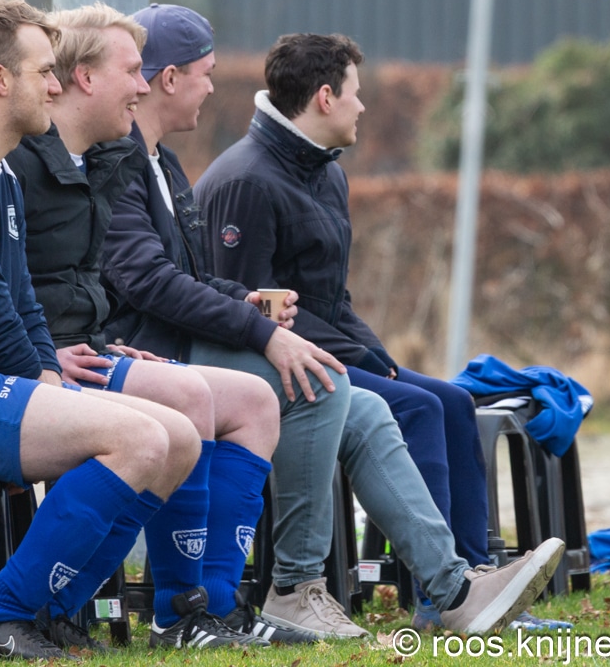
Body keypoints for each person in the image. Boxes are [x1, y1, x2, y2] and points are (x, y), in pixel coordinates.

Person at [100, 5, 563, 638]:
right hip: (156, 354)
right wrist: (265, 329)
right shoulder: (154, 168)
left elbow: (203, 278)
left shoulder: (170, 164)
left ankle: (455, 588)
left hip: (197, 345)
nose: (213, 87)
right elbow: (148, 282)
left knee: (399, 404)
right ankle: (296, 585)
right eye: (205, 73)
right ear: (171, 77)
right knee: (332, 386)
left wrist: (250, 303)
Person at [192, 32, 531, 630]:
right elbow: (250, 307)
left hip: (330, 353)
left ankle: (476, 584)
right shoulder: (246, 180)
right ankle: (438, 599)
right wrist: (359, 358)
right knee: (419, 407)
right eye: (355, 93)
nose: (363, 106)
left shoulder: (327, 174)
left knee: (454, 401)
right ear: (325, 97)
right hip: (269, 366)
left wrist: (374, 354)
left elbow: (333, 300)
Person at [6, 3, 300, 648]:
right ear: (85, 77)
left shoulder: (111, 163)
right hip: (29, 367)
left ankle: (216, 605)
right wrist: (42, 352)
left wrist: (107, 342)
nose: (141, 87)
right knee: (199, 394)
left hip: (89, 350)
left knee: (255, 400)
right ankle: (180, 610)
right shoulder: (19, 165)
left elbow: (87, 288)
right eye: (133, 70)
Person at [0, 0, 198, 661]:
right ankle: (2, 620)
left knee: (180, 438)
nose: (56, 85)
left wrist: (49, 380)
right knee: (138, 439)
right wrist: (52, 396)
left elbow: (23, 305)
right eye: (44, 71)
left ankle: (54, 611)